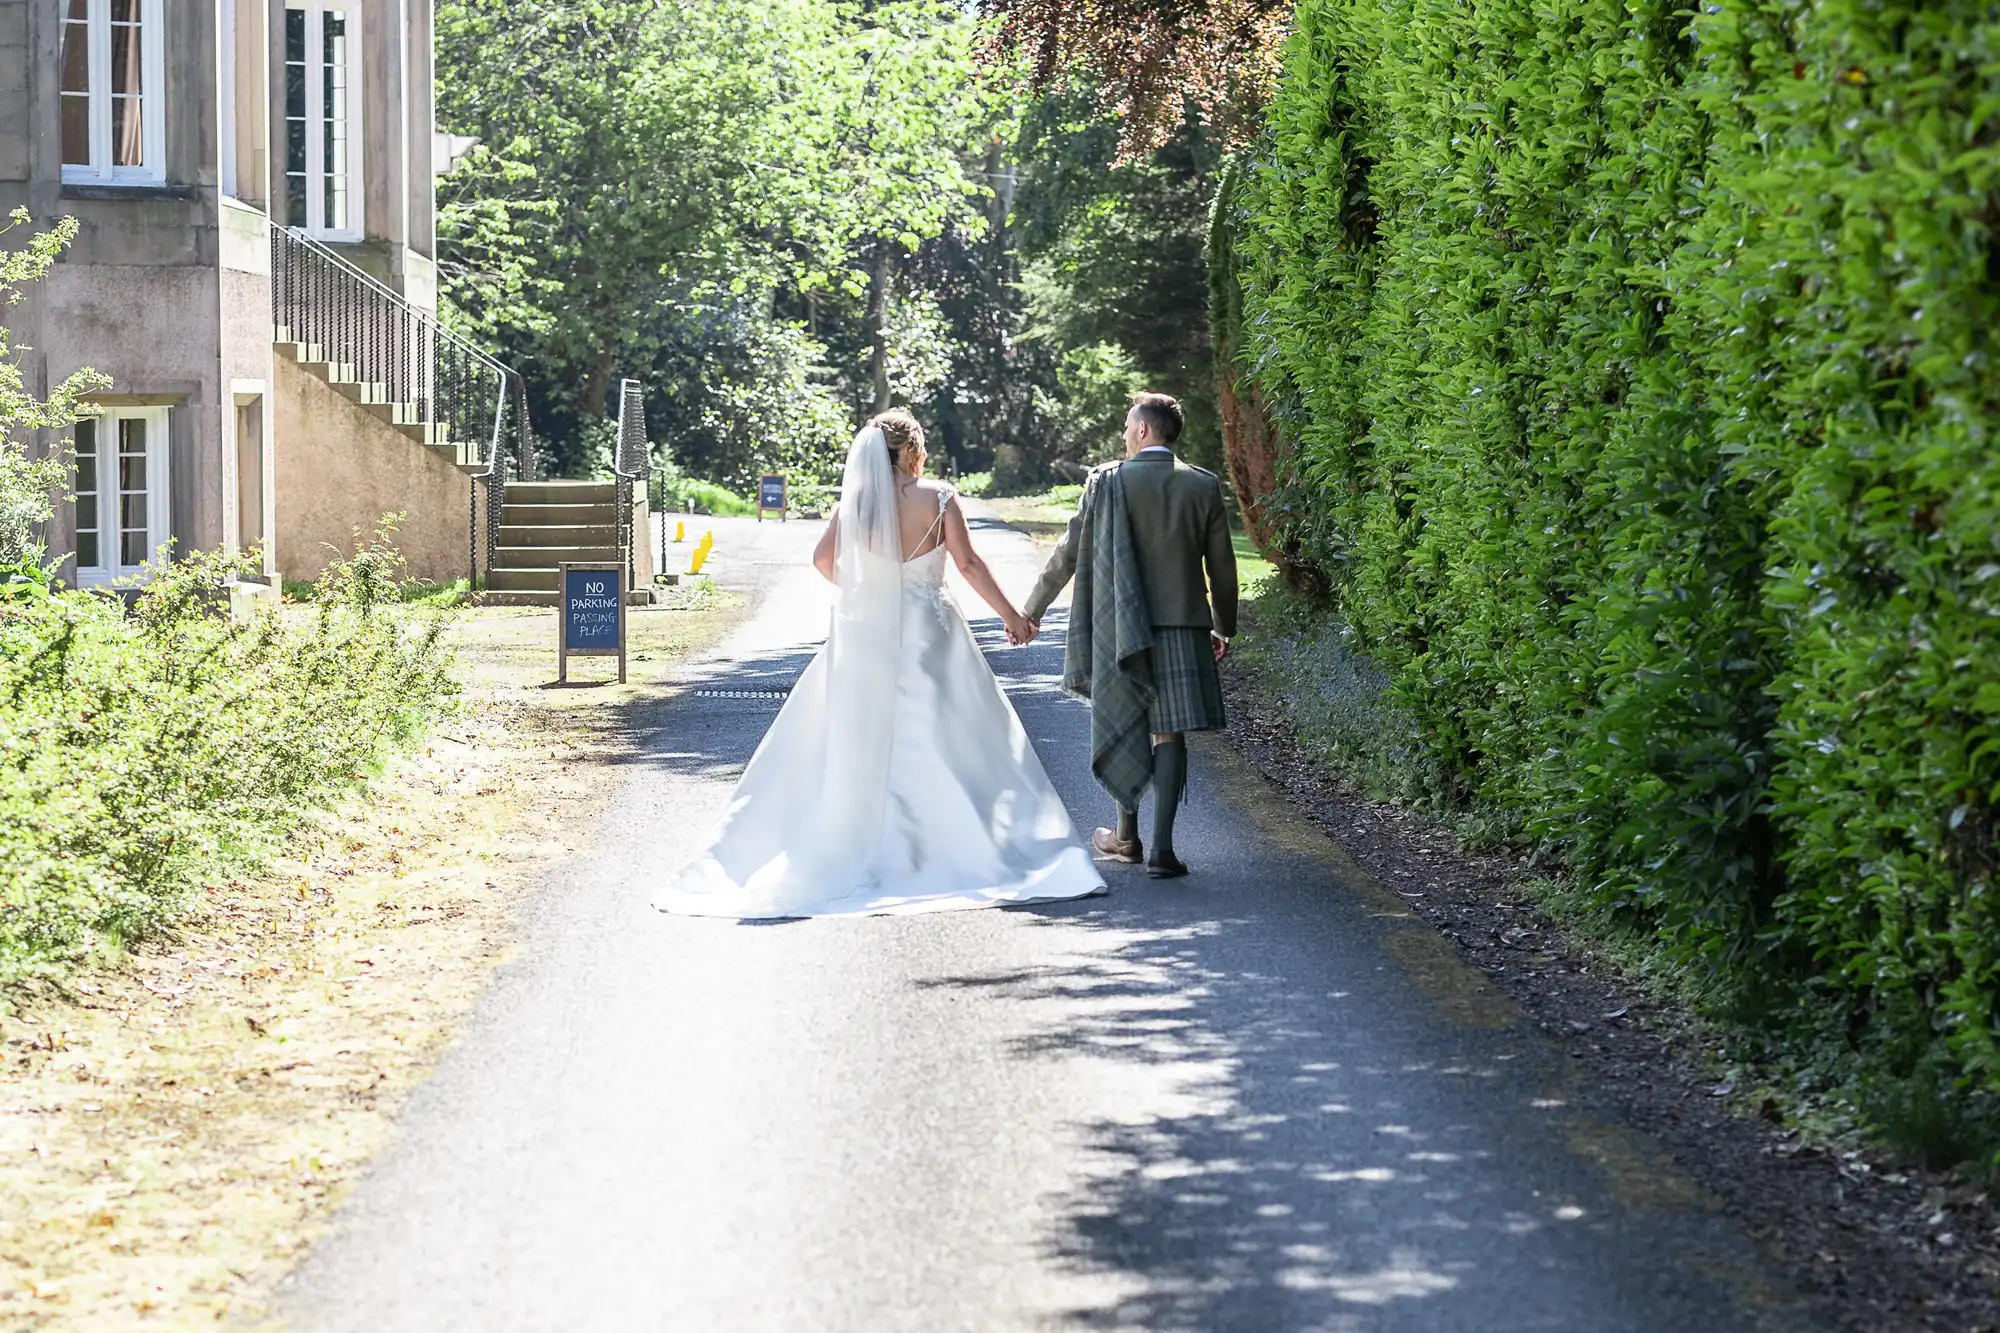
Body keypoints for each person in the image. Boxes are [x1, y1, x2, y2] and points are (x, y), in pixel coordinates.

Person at [653, 408, 1106, 919]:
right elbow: (970, 565)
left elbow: (823, 560)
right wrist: (1014, 618)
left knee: (861, 732)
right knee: (948, 733)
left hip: (869, 631)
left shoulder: (858, 501)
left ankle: (866, 838)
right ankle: (951, 843)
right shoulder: (940, 498)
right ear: (912, 449)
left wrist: (867, 591)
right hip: (931, 630)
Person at [1021, 392, 1238, 878]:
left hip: (1118, 626)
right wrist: (1224, 624)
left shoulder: (1107, 484)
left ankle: (1126, 839)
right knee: (1169, 731)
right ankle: (1162, 849)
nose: (1123, 434)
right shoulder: (1202, 486)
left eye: (1126, 426)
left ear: (1143, 430)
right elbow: (1222, 569)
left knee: (1126, 720)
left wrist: (1032, 609)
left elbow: (1068, 552)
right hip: (1183, 625)